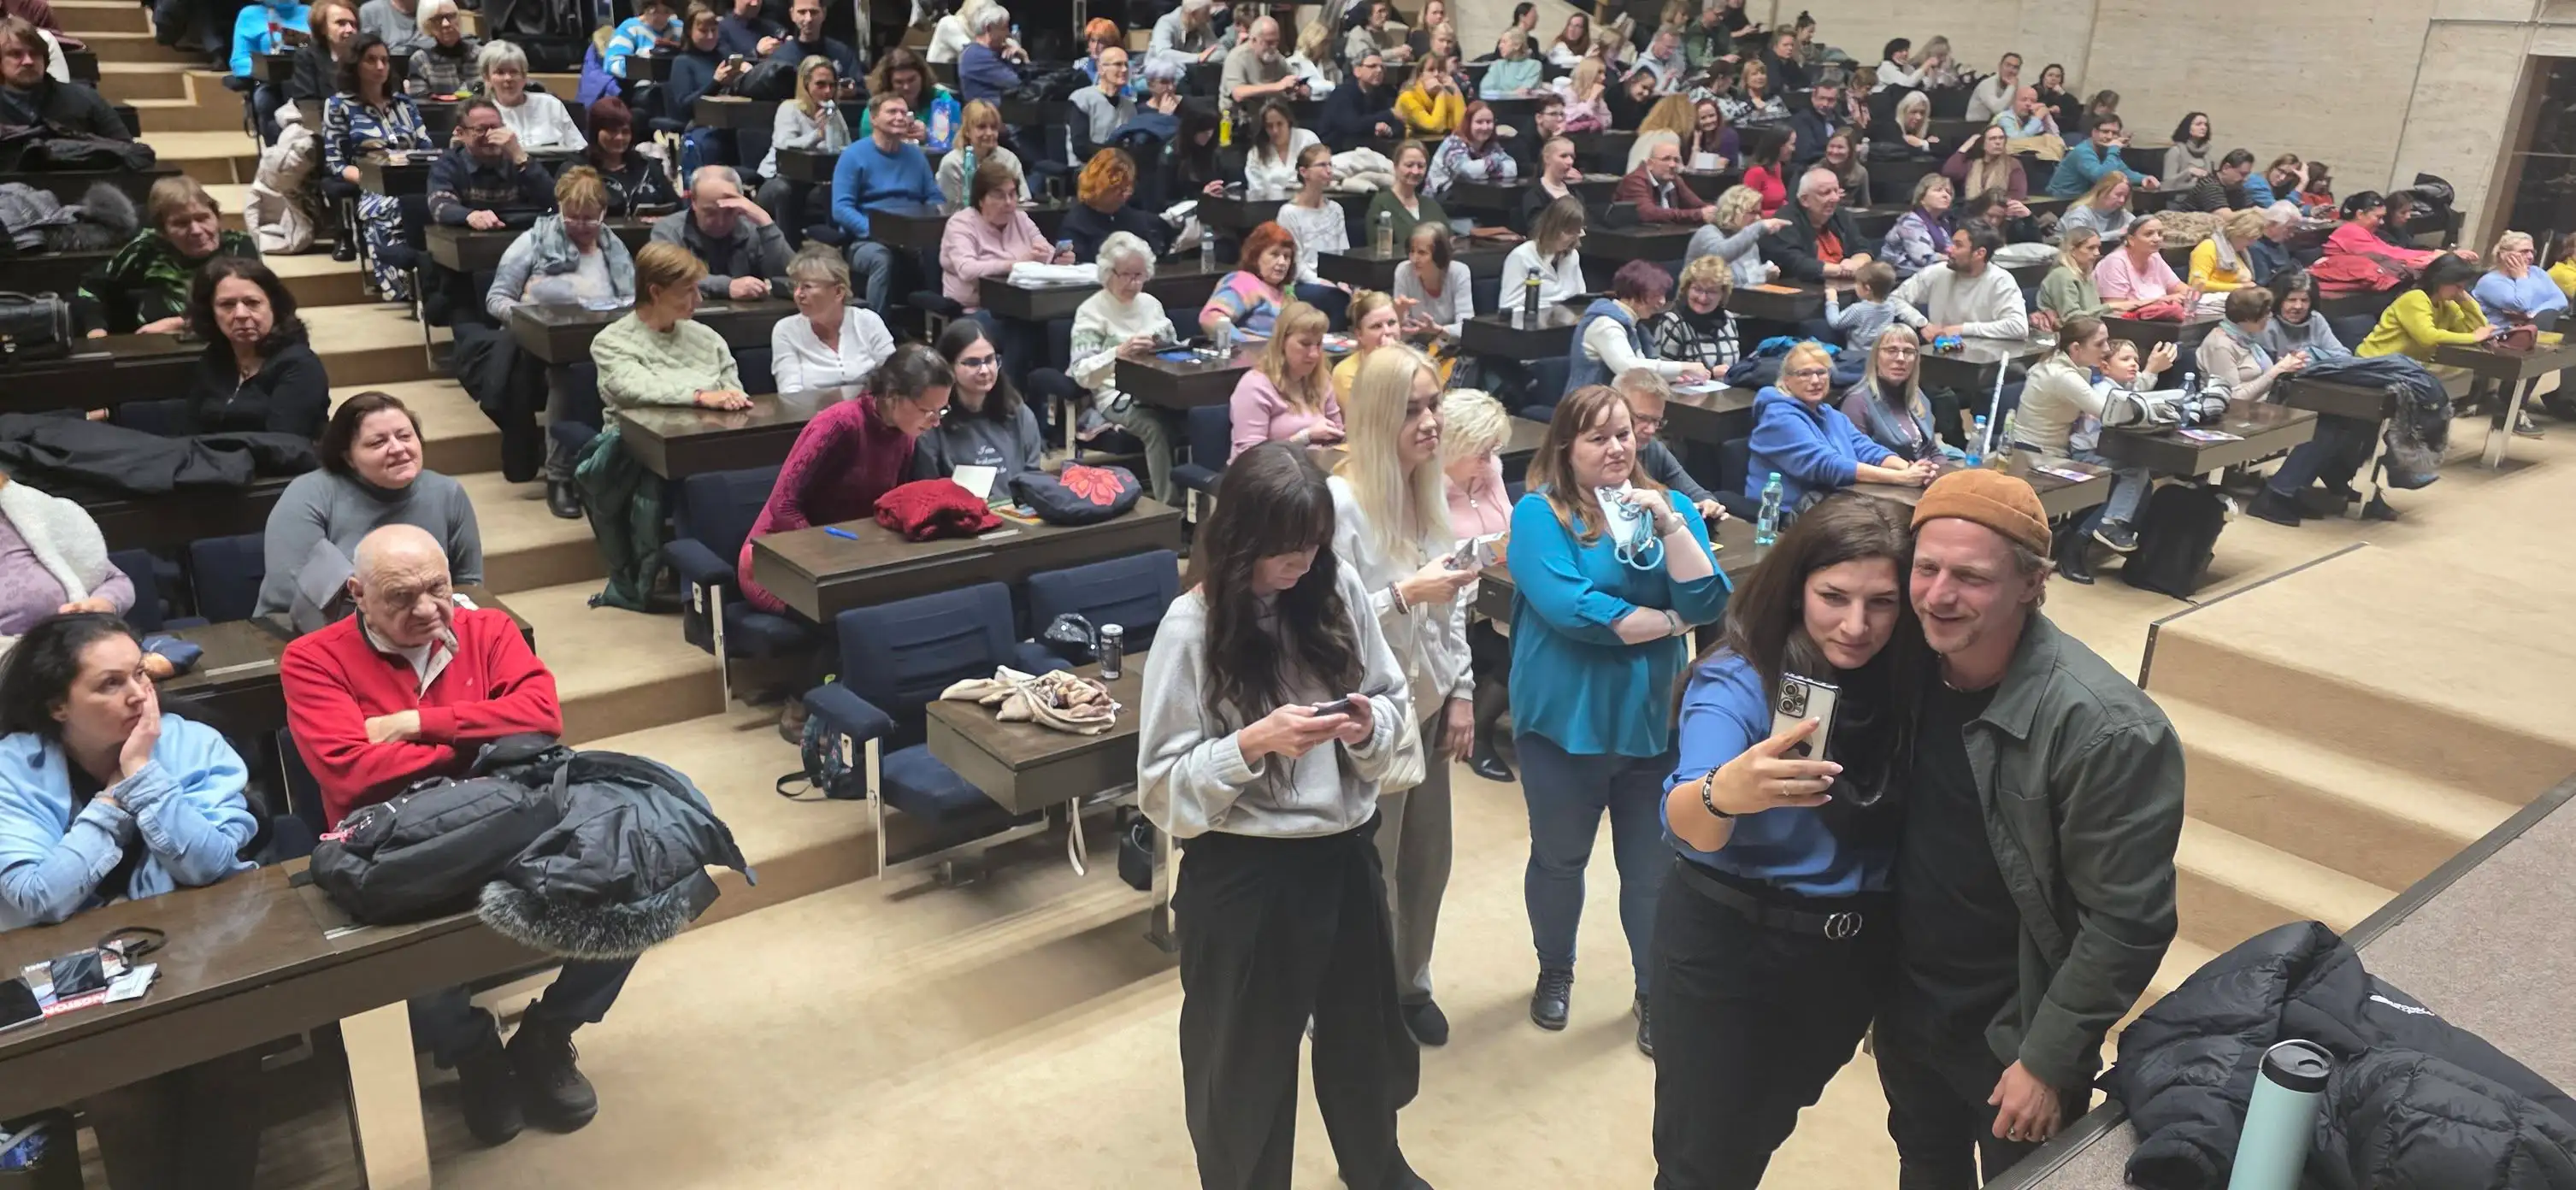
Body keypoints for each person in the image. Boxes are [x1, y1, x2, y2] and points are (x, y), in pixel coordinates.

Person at [282, 525, 633, 1148]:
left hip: (510, 824)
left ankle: (547, 1034)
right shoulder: (313, 659)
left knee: (641, 883)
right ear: (357, 594)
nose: (425, 610)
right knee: (401, 954)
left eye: (437, 589)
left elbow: (541, 718)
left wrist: (417, 724)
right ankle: (474, 1052)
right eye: (400, 597)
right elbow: (351, 771)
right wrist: (485, 749)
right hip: (398, 847)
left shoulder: (488, 629)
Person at [1878, 469, 2183, 1185]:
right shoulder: (1906, 666)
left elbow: (2127, 921)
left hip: (2014, 1028)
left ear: (2032, 583)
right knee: (1922, 1162)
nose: (1938, 595)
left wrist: (2047, 1059)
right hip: (1910, 1006)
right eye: (1926, 569)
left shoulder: (2106, 730)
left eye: (1970, 578)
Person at [1140, 442, 1426, 1190]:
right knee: (1243, 1068)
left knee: (1365, 1041)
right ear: (1239, 540)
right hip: (1246, 874)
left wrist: (1365, 726)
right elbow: (1161, 790)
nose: (1299, 563)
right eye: (1282, 550)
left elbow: (1393, 703)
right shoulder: (1190, 626)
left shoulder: (1336, 590)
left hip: (1343, 854)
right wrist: (1248, 746)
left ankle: (1376, 1168)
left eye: (1313, 544)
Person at [1652, 492, 1924, 1187]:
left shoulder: (1908, 680)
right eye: (1833, 597)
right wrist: (1724, 792)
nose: (1856, 626)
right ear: (1795, 586)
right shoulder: (1740, 679)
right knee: (1702, 1162)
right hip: (1732, 952)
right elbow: (1686, 817)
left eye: (1882, 603)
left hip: (1847, 956)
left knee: (1758, 1132)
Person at [0, 614, 264, 1185]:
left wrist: (141, 772)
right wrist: (116, 800)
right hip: (68, 974)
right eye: (110, 684)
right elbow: (38, 896)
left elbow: (210, 864)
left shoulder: (192, 744)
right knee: (125, 1092)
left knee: (231, 1066)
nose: (139, 694)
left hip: (198, 954)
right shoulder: (12, 769)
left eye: (140, 673)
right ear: (58, 706)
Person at [1506, 382, 1728, 1049]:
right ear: (1565, 446)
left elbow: (1709, 599)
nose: (1615, 448)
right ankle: (1554, 968)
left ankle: (1652, 991)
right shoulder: (1538, 514)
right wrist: (1668, 621)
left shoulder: (1669, 506)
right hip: (1563, 723)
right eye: (1597, 437)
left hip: (1651, 724)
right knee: (1559, 861)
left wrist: (1670, 525)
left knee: (1652, 874)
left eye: (1624, 434)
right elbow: (1572, 610)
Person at [1321, 345, 1477, 1048]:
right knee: (1367, 871)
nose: (1429, 422)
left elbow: (1455, 606)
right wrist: (1404, 594)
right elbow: (1326, 625)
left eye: (1433, 405)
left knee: (1424, 863)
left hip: (1430, 708)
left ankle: (1409, 984)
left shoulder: (1427, 490)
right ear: (1378, 417)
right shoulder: (1339, 504)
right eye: (1411, 410)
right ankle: (1350, 1000)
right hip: (1369, 720)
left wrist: (1462, 691)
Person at [736, 344, 952, 616]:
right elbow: (783, 505)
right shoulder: (839, 424)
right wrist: (831, 556)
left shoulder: (904, 436)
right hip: (775, 563)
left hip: (847, 557)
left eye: (942, 411)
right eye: (928, 411)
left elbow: (887, 507)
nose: (935, 422)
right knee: (853, 622)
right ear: (892, 396)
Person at [256, 391, 479, 616]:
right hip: (303, 624)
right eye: (378, 442)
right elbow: (297, 591)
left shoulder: (448, 493)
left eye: (404, 436)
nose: (398, 449)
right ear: (348, 457)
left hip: (421, 622)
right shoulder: (309, 493)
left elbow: (468, 585)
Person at [587, 244, 755, 512]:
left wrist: (733, 398)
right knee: (707, 488)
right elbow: (635, 388)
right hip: (644, 451)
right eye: (688, 291)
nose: (698, 300)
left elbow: (732, 388)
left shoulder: (707, 337)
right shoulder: (610, 342)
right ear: (655, 292)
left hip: (711, 442)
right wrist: (701, 396)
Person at [2014, 314, 2150, 556]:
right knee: (2122, 474)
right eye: (2100, 344)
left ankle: (2081, 540)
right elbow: (2111, 414)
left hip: (2055, 450)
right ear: (2076, 348)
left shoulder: (2070, 367)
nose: (2106, 349)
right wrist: (2151, 376)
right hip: (2038, 457)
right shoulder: (2062, 376)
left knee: (2134, 475)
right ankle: (2079, 545)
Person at [1748, 339, 1936, 508]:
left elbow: (1867, 449)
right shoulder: (1778, 417)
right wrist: (1900, 478)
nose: (1815, 381)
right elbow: (1826, 464)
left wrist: (1911, 469)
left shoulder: (1830, 414)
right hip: (1785, 512)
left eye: (1821, 372)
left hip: (1829, 502)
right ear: (1787, 380)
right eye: (1804, 374)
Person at [1435, 389, 1514, 782]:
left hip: (1496, 591)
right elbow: (1439, 565)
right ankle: (1476, 736)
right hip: (1451, 606)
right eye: (1481, 452)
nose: (1489, 461)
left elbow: (1512, 527)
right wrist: (1491, 549)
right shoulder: (1426, 487)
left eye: (1493, 450)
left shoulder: (1490, 470)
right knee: (1523, 644)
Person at [1070, 232, 1182, 502]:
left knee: (1198, 417)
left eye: (1140, 275)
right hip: (1115, 395)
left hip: (1159, 389)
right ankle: (1169, 505)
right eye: (1126, 276)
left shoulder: (1151, 304)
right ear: (1109, 273)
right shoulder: (1091, 312)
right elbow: (1082, 373)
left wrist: (1159, 344)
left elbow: (1174, 348)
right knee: (1154, 428)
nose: (1134, 283)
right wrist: (1118, 353)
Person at [319, 33, 431, 293]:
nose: (380, 67)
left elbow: (426, 146)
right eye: (371, 60)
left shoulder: (404, 104)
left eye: (384, 60)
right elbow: (336, 163)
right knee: (397, 206)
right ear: (355, 65)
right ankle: (407, 286)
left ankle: (432, 281)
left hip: (415, 180)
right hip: (374, 187)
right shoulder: (338, 106)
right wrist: (373, 179)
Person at [77, 177, 258, 338]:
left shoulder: (239, 247)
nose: (196, 230)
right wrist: (96, 330)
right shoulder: (147, 248)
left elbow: (254, 307)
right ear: (162, 231)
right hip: (155, 350)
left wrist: (179, 324)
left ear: (217, 217)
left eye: (203, 218)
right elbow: (91, 287)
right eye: (181, 223)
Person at [179, 258, 328, 439]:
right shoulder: (215, 357)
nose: (241, 314)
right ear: (210, 312)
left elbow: (283, 445)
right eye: (227, 305)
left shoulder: (300, 365)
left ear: (274, 307)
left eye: (252, 303)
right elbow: (191, 430)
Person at [832, 91, 941, 311]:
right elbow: (841, 208)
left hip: (912, 236)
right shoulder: (853, 155)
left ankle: (938, 320)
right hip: (867, 239)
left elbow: (934, 198)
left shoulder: (916, 156)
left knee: (942, 249)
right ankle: (876, 325)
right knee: (881, 259)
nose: (900, 117)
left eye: (904, 112)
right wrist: (879, 231)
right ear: (873, 118)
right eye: (892, 112)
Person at [486, 166, 633, 325]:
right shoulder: (533, 241)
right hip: (536, 335)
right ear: (560, 209)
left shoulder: (614, 249)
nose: (580, 226)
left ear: (603, 212)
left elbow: (631, 301)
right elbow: (496, 298)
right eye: (572, 218)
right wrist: (532, 320)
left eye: (589, 219)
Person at [912, 319, 1045, 486]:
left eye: (989, 360)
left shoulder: (1019, 413)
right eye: (972, 363)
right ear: (949, 367)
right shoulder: (932, 424)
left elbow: (1033, 480)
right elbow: (927, 489)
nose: (984, 370)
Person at [1567, 261, 1709, 394]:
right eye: (1656, 295)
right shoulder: (1605, 324)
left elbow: (1643, 365)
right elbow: (1629, 369)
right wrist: (1684, 367)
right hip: (1590, 405)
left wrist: (1670, 376)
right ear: (1634, 294)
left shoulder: (1633, 325)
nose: (1662, 301)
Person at [652, 164, 789, 303]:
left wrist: (766, 222)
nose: (720, 222)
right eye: (710, 213)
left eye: (729, 212)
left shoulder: (754, 229)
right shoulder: (668, 231)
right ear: (693, 201)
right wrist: (727, 286)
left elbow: (791, 278)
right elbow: (668, 277)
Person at [769, 244, 894, 392]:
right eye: (794, 286)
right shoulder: (786, 330)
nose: (798, 294)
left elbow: (895, 379)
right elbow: (790, 393)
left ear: (838, 292)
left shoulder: (868, 321)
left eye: (807, 287)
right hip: (811, 407)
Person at [1228, 301, 1342, 458]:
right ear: (1282, 342)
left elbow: (1338, 435)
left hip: (1314, 468)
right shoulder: (1255, 386)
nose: (1314, 354)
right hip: (1266, 472)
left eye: (1319, 344)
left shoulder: (1321, 379)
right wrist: (1304, 438)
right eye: (1305, 344)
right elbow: (1250, 459)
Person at [1614, 368, 1728, 521]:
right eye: (1642, 418)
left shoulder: (1653, 449)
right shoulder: (1600, 455)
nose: (1651, 430)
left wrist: (1708, 503)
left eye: (1657, 421)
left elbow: (1696, 493)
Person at [424, 97, 554, 229]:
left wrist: (521, 158)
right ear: (461, 133)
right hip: (469, 238)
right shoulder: (449, 163)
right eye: (481, 130)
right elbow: (440, 206)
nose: (490, 135)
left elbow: (555, 201)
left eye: (496, 128)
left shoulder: (518, 161)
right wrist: (470, 216)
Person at [1842, 325, 1960, 462]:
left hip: (1926, 471)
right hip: (1889, 474)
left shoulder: (1918, 396)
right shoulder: (1856, 403)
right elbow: (1857, 463)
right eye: (1891, 350)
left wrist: (1945, 471)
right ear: (1876, 356)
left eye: (1908, 352)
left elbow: (1931, 450)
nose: (1900, 358)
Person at [1890, 225, 2030, 341]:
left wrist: (1961, 329)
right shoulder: (1938, 272)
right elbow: (1894, 299)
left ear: (1979, 253)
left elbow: (2018, 327)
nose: (1948, 249)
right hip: (1942, 351)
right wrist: (1921, 323)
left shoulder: (2001, 280)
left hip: (1986, 356)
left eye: (1958, 245)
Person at [756, 56, 850, 226]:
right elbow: (785, 147)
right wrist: (818, 134)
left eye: (832, 85)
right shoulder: (789, 109)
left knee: (836, 189)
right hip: (779, 179)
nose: (827, 91)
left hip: (816, 180)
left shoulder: (834, 113)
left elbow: (846, 147)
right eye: (820, 85)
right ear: (806, 85)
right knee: (784, 190)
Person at [0, 15, 116, 136]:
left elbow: (123, 146)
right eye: (16, 54)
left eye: (35, 53)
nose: (28, 61)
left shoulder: (87, 99)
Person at [1761, 168, 1874, 285]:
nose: (1835, 198)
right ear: (1805, 200)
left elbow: (1863, 248)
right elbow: (1796, 263)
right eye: (1826, 193)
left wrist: (1856, 264)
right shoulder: (1784, 221)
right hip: (1803, 288)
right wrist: (1841, 270)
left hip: (1843, 284)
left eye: (1836, 191)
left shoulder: (1840, 215)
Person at [1061, 147, 1168, 262]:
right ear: (1099, 188)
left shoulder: (1135, 218)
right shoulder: (1074, 224)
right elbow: (1064, 260)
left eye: (1129, 186)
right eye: (1119, 189)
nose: (1127, 194)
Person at [477, 39, 583, 151]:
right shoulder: (481, 114)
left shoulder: (550, 104)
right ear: (487, 77)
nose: (508, 78)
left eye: (514, 72)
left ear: (524, 76)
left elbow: (579, 148)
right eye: (500, 72)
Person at [1650, 255, 1742, 378]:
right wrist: (1710, 373)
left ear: (1722, 294)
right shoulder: (1673, 322)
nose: (1703, 298)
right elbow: (1661, 375)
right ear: (1687, 289)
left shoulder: (1728, 320)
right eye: (1697, 289)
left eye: (1712, 292)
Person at [1689, 186, 1789, 288]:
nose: (1758, 218)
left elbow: (1747, 280)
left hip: (1739, 297)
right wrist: (1759, 227)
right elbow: (1722, 255)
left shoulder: (1749, 240)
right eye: (1752, 212)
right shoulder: (1707, 233)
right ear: (1733, 211)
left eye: (1759, 213)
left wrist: (1764, 275)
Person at [1392, 221, 1474, 344]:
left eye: (1422, 253)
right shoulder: (1404, 271)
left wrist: (1438, 330)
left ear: (1440, 256)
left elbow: (1466, 327)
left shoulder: (1459, 272)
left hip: (1449, 345)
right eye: (1412, 251)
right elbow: (1400, 331)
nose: (1414, 259)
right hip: (1414, 346)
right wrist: (1398, 315)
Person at [1365, 141, 1451, 258]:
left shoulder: (1432, 205)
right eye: (1409, 165)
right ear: (1395, 166)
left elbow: (1448, 243)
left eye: (1421, 166)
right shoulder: (1381, 204)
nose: (1415, 171)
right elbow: (1377, 250)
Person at [857, 47, 956, 145]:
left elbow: (954, 139)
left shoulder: (941, 98)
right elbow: (867, 144)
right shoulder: (877, 106)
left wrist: (929, 135)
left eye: (912, 80)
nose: (906, 87)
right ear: (889, 83)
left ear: (923, 77)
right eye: (899, 82)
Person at [2094, 215, 2192, 313]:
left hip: (2156, 317)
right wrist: (2160, 301)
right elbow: (2114, 308)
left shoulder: (2155, 257)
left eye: (2160, 233)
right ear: (2131, 240)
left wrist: (2192, 295)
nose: (2157, 239)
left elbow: (2179, 288)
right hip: (2124, 320)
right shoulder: (2115, 262)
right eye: (2149, 234)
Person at [1502, 195, 1588, 309]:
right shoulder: (1521, 256)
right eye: (1568, 232)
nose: (1571, 238)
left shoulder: (1573, 256)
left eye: (1576, 232)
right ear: (1551, 227)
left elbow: (1581, 297)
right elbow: (1509, 306)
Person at [1425, 98, 1515, 199]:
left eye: (1489, 122)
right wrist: (1494, 163)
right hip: (1438, 201)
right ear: (1469, 124)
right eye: (1479, 122)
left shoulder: (1491, 145)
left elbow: (1512, 169)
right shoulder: (1453, 143)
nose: (1485, 127)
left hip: (1470, 199)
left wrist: (1484, 169)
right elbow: (1467, 171)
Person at [1618, 137, 1719, 226]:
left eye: (1676, 160)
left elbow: (1698, 205)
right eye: (1666, 159)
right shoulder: (1634, 181)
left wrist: (1714, 212)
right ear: (1650, 164)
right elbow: (1648, 214)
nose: (1672, 165)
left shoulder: (1675, 179)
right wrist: (1699, 214)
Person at [2045, 115, 2154, 197]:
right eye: (2105, 132)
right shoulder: (2083, 151)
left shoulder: (2107, 150)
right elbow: (2102, 178)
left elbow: (2123, 172)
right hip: (2062, 200)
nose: (2110, 137)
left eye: (2115, 133)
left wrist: (2144, 178)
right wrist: (2114, 150)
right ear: (2094, 132)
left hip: (2085, 199)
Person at [283, 0, 360, 110]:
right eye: (341, 23)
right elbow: (308, 103)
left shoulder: (365, 56)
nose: (350, 29)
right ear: (322, 28)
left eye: (353, 24)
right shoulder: (308, 57)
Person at [1241, 95, 1319, 202]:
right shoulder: (1256, 154)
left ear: (1288, 122)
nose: (1275, 131)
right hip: (1270, 207)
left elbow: (1321, 175)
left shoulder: (1308, 139)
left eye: (1280, 124)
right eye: (1270, 126)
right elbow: (1256, 193)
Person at [1880, 174, 1954, 281]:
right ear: (1922, 198)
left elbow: (1951, 250)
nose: (1945, 195)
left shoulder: (1943, 223)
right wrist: (1955, 259)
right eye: (1938, 190)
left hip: (1927, 275)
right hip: (1899, 277)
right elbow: (1924, 258)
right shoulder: (1910, 222)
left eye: (1949, 192)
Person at [1218, 15, 1298, 113]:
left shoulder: (1277, 58)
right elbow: (1238, 94)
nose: (1273, 47)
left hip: (1272, 115)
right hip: (1241, 117)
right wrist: (1277, 86)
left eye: (1276, 42)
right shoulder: (1237, 58)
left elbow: (1288, 81)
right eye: (1269, 42)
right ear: (1254, 40)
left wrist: (1297, 88)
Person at [2034, 227, 2108, 333]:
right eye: (2091, 248)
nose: (2097, 253)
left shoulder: (2086, 275)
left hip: (2090, 331)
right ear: (2073, 251)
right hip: (2067, 335)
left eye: (2098, 247)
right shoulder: (2061, 276)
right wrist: (2111, 306)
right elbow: (2073, 318)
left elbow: (2093, 314)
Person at [1321, 48, 1400, 143]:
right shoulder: (1342, 93)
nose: (1379, 70)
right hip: (1338, 146)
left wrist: (1388, 130)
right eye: (1372, 66)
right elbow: (1352, 125)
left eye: (1382, 67)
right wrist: (1387, 115)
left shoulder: (1382, 92)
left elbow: (1399, 123)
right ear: (1357, 71)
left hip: (1368, 146)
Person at [1331, 289, 1402, 397]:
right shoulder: (1346, 374)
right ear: (1360, 335)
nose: (1387, 331)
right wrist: (1387, 362)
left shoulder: (1413, 360)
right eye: (1377, 326)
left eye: (1392, 323)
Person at [2186, 207, 2268, 298]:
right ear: (2238, 233)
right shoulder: (2208, 247)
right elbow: (2196, 284)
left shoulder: (2240, 253)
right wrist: (2240, 287)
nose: (2251, 243)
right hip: (2210, 302)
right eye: (2249, 239)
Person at [952, 2, 1023, 105]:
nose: (1008, 33)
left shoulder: (993, 51)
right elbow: (1016, 83)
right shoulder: (976, 55)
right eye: (1004, 28)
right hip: (989, 113)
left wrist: (1023, 56)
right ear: (989, 28)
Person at [763, 0, 856, 78]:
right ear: (792, 14)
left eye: (814, 12)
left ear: (824, 13)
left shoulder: (842, 54)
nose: (808, 19)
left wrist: (849, 90)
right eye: (802, 12)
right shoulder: (780, 58)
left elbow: (860, 89)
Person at [403, 0, 477, 95]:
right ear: (427, 25)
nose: (446, 24)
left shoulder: (480, 55)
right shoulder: (421, 60)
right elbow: (421, 101)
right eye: (437, 19)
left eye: (450, 16)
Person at [1942, 126, 2027, 208]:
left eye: (2001, 138)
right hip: (1972, 212)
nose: (1998, 142)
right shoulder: (1972, 164)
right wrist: (1965, 147)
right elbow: (1949, 172)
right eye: (1992, 139)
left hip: (2001, 212)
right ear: (1983, 144)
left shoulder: (2012, 164)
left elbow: (2018, 195)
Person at [1070, 44, 1135, 150]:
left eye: (1126, 65)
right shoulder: (1082, 99)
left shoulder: (1130, 106)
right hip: (1091, 160)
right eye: (1118, 64)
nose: (1124, 69)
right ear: (1101, 69)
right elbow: (1080, 146)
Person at [1514, 133, 1582, 234]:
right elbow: (1537, 229)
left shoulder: (1575, 193)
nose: (1570, 161)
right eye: (1563, 156)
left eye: (1572, 157)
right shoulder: (1534, 194)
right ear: (1547, 158)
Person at [1826, 260, 1898, 347]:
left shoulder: (1858, 309)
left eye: (1857, 283)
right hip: (1877, 350)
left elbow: (1835, 323)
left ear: (1867, 289)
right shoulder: (1891, 306)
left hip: (1856, 352)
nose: (1855, 286)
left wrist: (1832, 300)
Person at [598, 0, 675, 82]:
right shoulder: (630, 28)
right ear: (650, 9)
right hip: (647, 84)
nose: (670, 16)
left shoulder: (676, 27)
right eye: (666, 12)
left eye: (671, 12)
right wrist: (648, 65)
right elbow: (612, 63)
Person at [2056, 170, 2131, 249]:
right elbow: (2082, 240)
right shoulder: (2079, 213)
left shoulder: (2121, 213)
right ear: (2102, 192)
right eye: (2118, 195)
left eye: (2125, 197)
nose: (2122, 200)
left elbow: (2137, 226)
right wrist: (2119, 233)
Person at [1147, 0, 1229, 72]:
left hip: (1189, 73)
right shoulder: (1166, 23)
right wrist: (1198, 58)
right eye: (1205, 13)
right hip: (1159, 76)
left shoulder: (1202, 25)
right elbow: (1163, 54)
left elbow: (1221, 51)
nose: (1209, 18)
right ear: (1193, 14)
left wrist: (1206, 58)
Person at [1394, 52, 1463, 139]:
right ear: (1420, 74)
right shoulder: (1407, 97)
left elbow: (1462, 126)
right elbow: (1435, 127)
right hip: (1409, 144)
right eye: (1431, 70)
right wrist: (1440, 93)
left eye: (1440, 70)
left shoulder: (1445, 94)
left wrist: (1456, 90)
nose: (1436, 74)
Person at [1737, 126, 1793, 216]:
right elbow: (1747, 213)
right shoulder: (1756, 172)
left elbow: (1779, 200)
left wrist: (1791, 208)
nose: (1793, 149)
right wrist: (1780, 213)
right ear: (1779, 146)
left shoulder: (1776, 166)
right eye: (1792, 144)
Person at [1786, 79, 1841, 168]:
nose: (1825, 104)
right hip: (1810, 168)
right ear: (1813, 98)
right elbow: (1806, 154)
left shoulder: (1837, 118)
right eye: (1822, 98)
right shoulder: (1802, 119)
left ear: (1836, 101)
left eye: (1830, 100)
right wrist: (1839, 152)